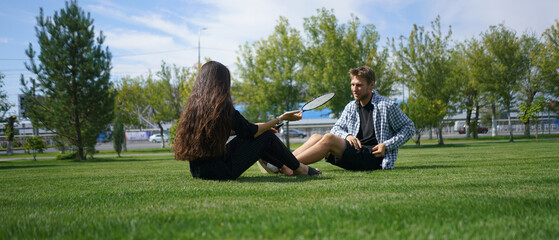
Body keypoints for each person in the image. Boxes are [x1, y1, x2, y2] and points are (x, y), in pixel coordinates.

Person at [173, 61, 320, 180]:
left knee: (264, 134)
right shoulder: (222, 106)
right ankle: (299, 168)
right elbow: (251, 131)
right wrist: (280, 118)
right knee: (266, 136)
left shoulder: (195, 107)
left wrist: (266, 126)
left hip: (198, 172)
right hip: (222, 172)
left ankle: (285, 167)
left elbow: (241, 129)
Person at [291, 66, 415, 171]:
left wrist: (386, 145)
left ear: (371, 85)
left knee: (329, 138)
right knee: (316, 137)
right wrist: (347, 136)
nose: (354, 89)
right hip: (355, 152)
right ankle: (282, 161)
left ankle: (289, 166)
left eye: (359, 85)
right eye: (352, 84)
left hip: (373, 157)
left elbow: (409, 128)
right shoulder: (351, 106)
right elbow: (337, 128)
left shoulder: (387, 105)